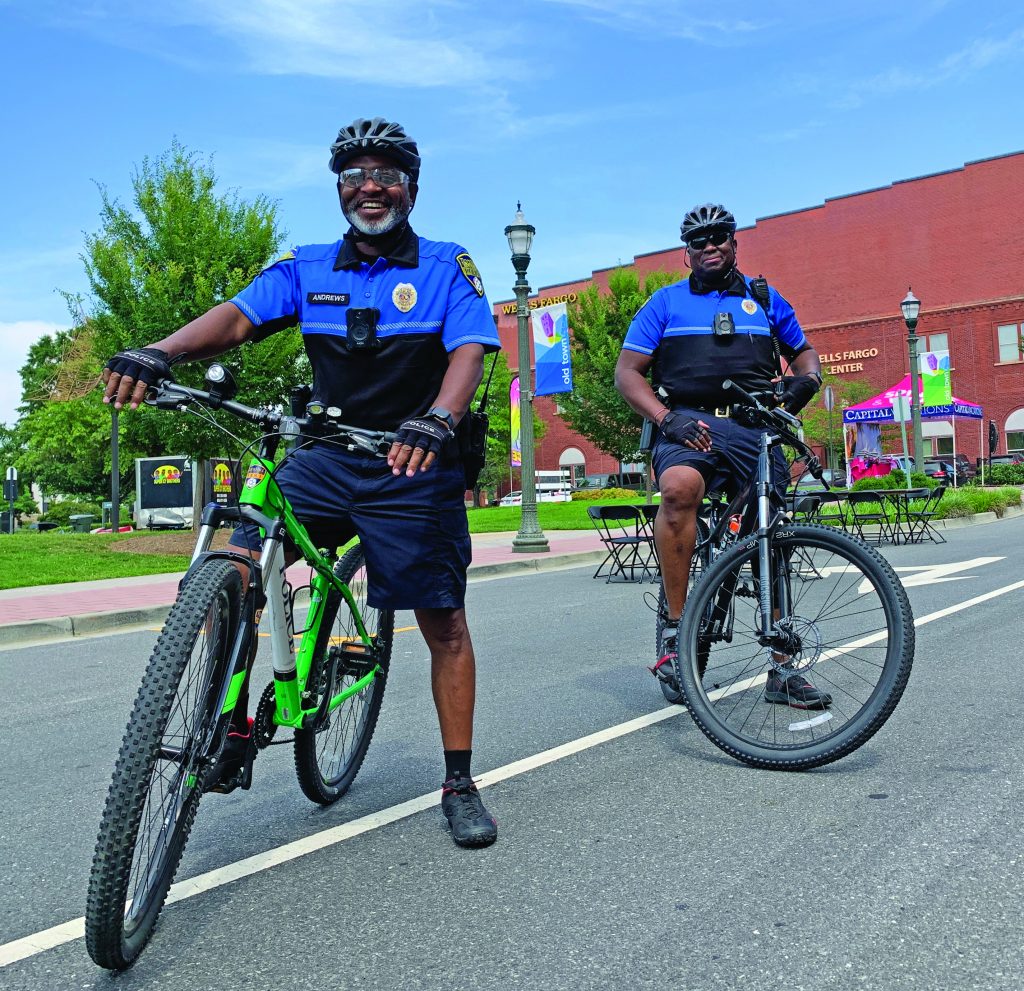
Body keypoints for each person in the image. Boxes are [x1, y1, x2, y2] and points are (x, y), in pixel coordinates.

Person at [102, 117, 500, 847]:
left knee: (442, 620)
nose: (369, 187)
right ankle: (230, 698)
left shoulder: (447, 266)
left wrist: (439, 420)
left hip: (411, 461)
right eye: (354, 176)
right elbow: (233, 320)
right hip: (323, 456)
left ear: (411, 187)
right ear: (339, 188)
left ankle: (460, 781)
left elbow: (469, 351)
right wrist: (157, 351)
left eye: (385, 174)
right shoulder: (307, 266)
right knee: (242, 552)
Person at [614, 202, 832, 709]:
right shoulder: (664, 303)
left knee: (771, 532)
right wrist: (667, 419)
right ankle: (675, 632)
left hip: (755, 427)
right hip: (689, 425)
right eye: (698, 241)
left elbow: (804, 356)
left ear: (735, 243)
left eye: (719, 237)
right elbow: (628, 374)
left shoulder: (764, 297)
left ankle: (782, 666)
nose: (709, 246)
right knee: (679, 490)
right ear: (686, 253)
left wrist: (803, 385)